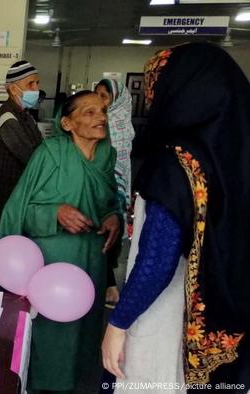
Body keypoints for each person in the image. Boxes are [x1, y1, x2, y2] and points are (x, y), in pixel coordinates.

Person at [102, 42, 249, 393]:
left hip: (167, 316)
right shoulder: (235, 156)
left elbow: (156, 262)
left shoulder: (175, 163)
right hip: (227, 318)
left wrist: (117, 325)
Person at [0, 91, 120, 393]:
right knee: (52, 327)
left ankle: (73, 380)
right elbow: (19, 209)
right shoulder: (50, 153)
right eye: (89, 112)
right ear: (67, 123)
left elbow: (109, 201)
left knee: (85, 325)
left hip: (92, 256)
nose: (100, 118)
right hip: (53, 259)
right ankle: (41, 382)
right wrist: (55, 213)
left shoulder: (107, 154)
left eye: (102, 111)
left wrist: (113, 217)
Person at [0, 60, 43, 274]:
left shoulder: (24, 115)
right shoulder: (7, 118)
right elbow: (33, 157)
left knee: (14, 258)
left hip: (20, 199)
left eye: (37, 83)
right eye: (31, 84)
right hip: (6, 201)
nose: (36, 89)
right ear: (13, 88)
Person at [95, 79, 136, 307]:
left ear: (117, 99)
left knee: (106, 235)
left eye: (105, 95)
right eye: (97, 94)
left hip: (112, 188)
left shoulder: (116, 121)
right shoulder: (106, 120)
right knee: (104, 235)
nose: (101, 100)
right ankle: (108, 286)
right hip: (105, 186)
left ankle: (110, 288)